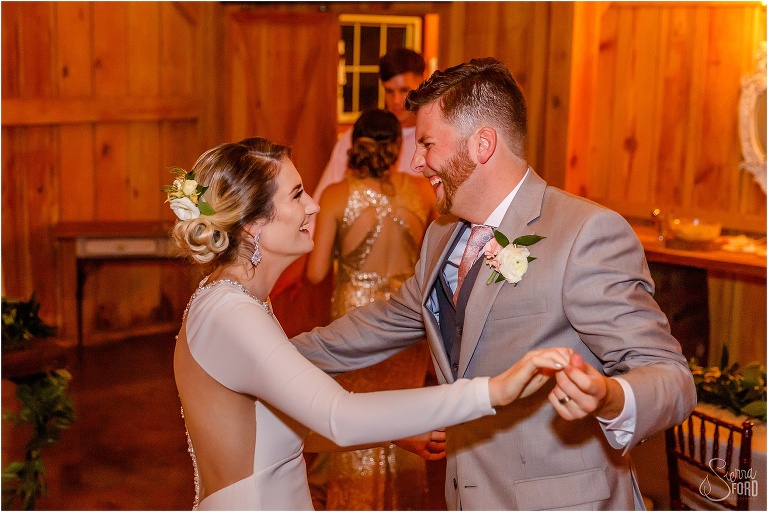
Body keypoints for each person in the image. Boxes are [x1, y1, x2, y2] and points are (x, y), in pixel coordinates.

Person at [292, 58, 697, 510]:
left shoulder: (586, 233)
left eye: (426, 144)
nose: (415, 161)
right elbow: (379, 324)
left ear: (482, 144)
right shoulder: (441, 235)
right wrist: (270, 353)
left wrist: (609, 395)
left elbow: (672, 379)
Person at [169, 136, 573, 510]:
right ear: (252, 224)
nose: (313, 205)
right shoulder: (231, 314)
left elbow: (268, 437)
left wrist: (393, 432)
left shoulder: (233, 303)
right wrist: (491, 392)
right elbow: (338, 415)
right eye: (296, 195)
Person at [305, 109, 436, 510]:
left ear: (355, 146)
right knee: (402, 416)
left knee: (354, 417)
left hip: (354, 320)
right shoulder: (424, 192)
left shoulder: (335, 196)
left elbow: (314, 273)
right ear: (401, 147)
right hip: (407, 321)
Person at [312, 48, 427, 205]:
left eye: (404, 90)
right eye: (389, 91)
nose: (397, 100)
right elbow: (323, 198)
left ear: (423, 82)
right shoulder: (361, 135)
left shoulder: (433, 136)